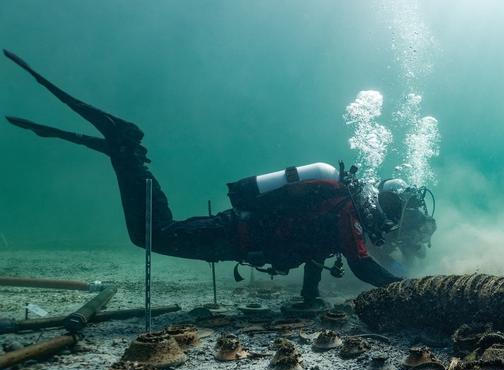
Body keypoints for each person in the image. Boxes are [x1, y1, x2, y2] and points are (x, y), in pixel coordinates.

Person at [4, 50, 435, 303]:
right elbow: (360, 265)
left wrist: (308, 300)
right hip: (237, 236)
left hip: (241, 238)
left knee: (156, 233)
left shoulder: (337, 206)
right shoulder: (347, 211)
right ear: (381, 203)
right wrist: (410, 293)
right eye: (393, 214)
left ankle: (124, 155)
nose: (389, 224)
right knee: (152, 234)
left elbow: (313, 249)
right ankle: (128, 151)